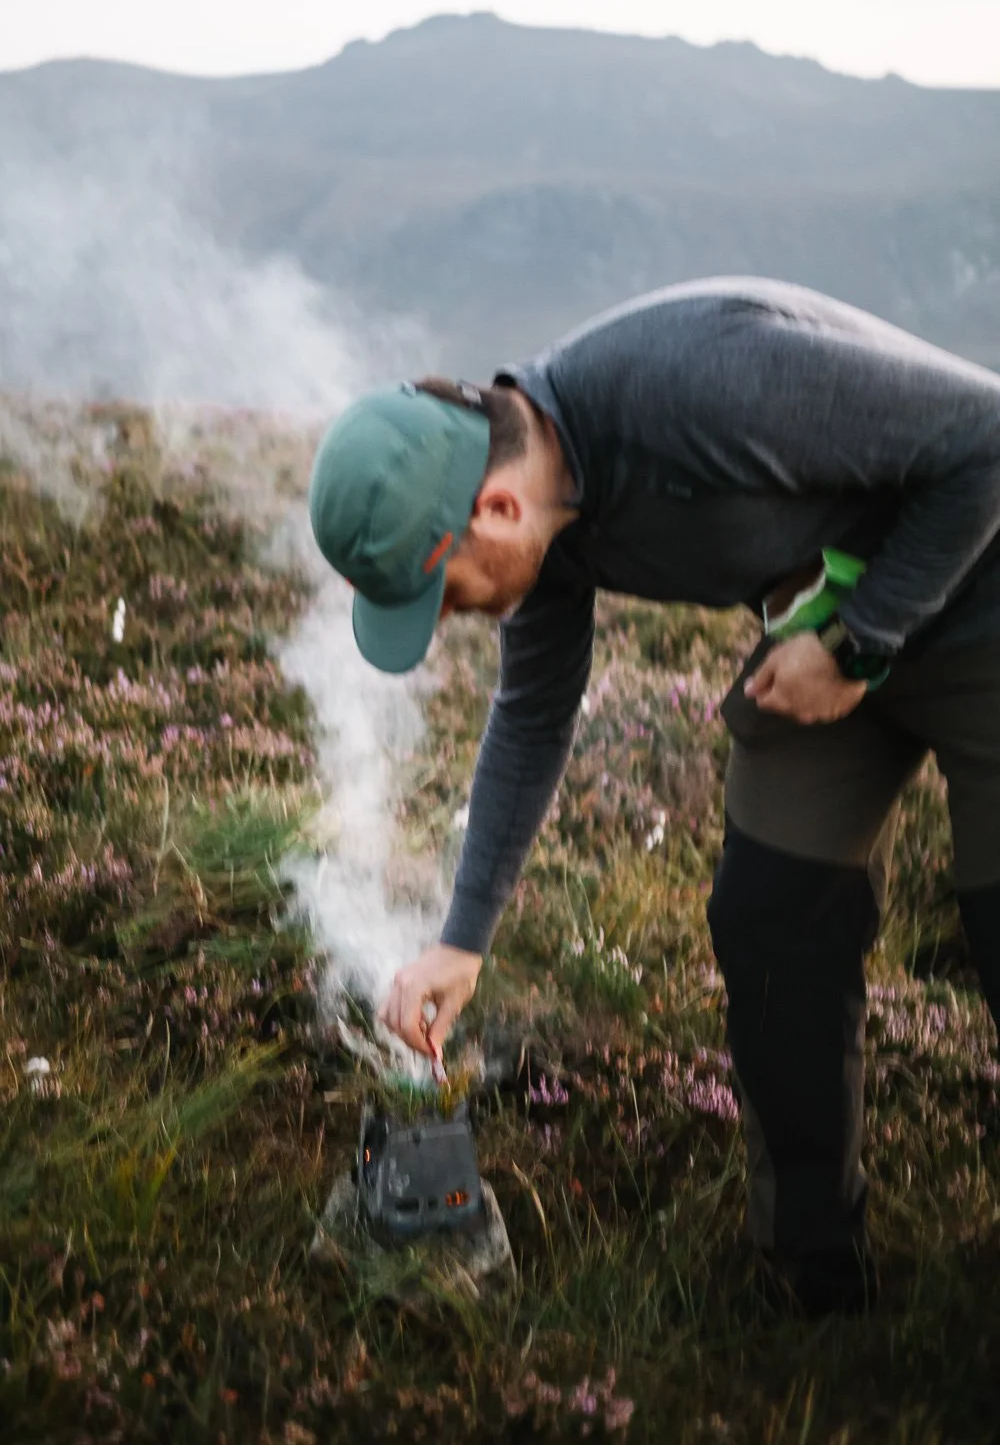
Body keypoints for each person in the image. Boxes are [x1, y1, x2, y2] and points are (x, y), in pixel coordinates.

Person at [308, 277, 1000, 1316]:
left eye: (443, 592)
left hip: (972, 604)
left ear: (494, 510)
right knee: (770, 926)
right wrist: (462, 938)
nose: (450, 620)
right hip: (822, 636)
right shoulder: (551, 520)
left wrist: (860, 643)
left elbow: (987, 439)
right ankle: (814, 1279)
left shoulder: (709, 383)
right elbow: (532, 717)